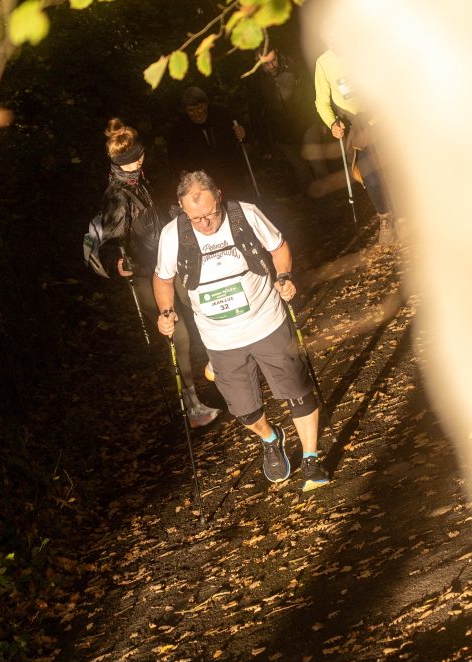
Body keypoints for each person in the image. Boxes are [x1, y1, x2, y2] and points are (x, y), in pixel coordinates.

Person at [153, 170, 329, 491]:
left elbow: (279, 248)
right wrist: (166, 312)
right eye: (196, 218)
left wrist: (284, 276)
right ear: (182, 209)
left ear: (219, 196)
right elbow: (163, 278)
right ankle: (270, 439)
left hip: (267, 321)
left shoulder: (245, 214)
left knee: (297, 392)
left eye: (210, 214)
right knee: (245, 411)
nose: (205, 223)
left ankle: (311, 459)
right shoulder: (172, 235)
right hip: (220, 339)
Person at [96, 118, 221, 428]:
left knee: (199, 304)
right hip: (144, 274)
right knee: (177, 333)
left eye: (139, 155)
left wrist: (174, 214)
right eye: (131, 160)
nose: (138, 161)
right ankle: (192, 405)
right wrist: (116, 262)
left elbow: (154, 219)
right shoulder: (116, 195)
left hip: (168, 261)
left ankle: (219, 364)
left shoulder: (141, 179)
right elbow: (109, 240)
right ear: (118, 163)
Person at [313, 31, 396, 244]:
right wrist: (333, 123)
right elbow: (322, 102)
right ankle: (385, 218)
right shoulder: (323, 63)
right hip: (356, 127)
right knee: (370, 176)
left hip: (380, 118)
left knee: (394, 166)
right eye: (329, 36)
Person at [252, 47, 327, 194]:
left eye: (273, 61)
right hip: (282, 131)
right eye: (265, 64)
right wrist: (263, 143)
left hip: (305, 123)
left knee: (317, 163)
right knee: (300, 169)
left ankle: (330, 198)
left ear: (277, 54)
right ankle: (315, 201)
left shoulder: (294, 67)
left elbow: (311, 93)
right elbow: (255, 110)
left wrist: (320, 120)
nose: (271, 66)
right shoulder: (256, 79)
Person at [167, 86, 252, 200]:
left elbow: (242, 130)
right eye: (191, 110)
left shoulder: (222, 114)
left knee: (237, 198)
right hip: (203, 176)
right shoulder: (180, 127)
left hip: (229, 169)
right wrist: (182, 171)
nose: (196, 113)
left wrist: (242, 133)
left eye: (199, 108)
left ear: (206, 105)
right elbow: (175, 154)